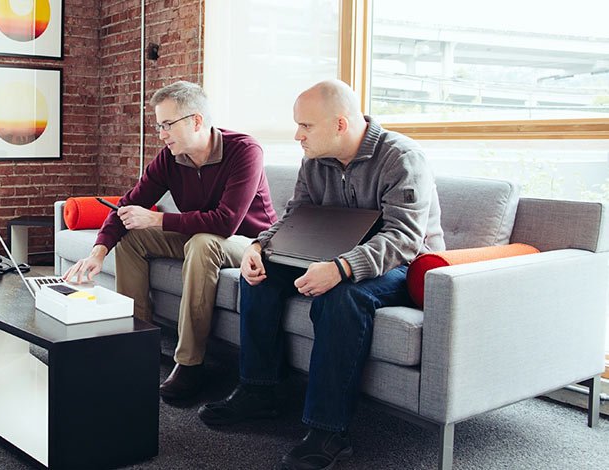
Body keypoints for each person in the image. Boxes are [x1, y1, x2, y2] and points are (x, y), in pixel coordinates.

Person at [198, 79, 445, 470]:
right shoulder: (315, 160)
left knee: (342, 296)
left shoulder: (401, 158)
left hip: (401, 265)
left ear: (340, 124)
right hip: (330, 253)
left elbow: (404, 239)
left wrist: (342, 268)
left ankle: (329, 431)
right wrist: (259, 247)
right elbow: (296, 215)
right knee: (259, 275)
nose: (297, 135)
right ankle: (260, 390)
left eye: (306, 126)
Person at [64, 80, 278, 401]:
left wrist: (157, 219)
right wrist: (99, 251)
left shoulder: (245, 150)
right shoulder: (170, 158)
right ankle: (137, 340)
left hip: (250, 243)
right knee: (134, 237)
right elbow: (127, 206)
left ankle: (190, 363)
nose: (161, 134)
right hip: (199, 236)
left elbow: (226, 221)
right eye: (159, 126)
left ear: (196, 121)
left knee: (202, 242)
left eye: (167, 125)